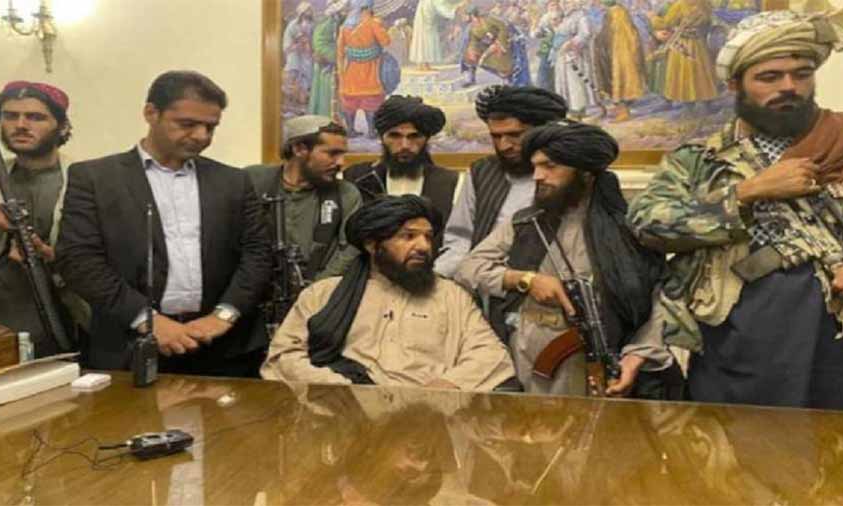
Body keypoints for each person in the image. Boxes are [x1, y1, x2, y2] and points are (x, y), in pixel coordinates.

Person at [627, 5, 843, 410]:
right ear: (735, 84)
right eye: (770, 77)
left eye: (802, 74)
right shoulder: (699, 160)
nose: (789, 87)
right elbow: (647, 223)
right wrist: (747, 193)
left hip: (839, 335)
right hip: (735, 337)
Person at [56, 71, 272, 377]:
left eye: (210, 127)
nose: (201, 136)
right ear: (151, 113)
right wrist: (148, 320)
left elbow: (258, 253)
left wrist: (224, 315)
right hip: (129, 347)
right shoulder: (95, 178)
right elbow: (78, 260)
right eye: (187, 124)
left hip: (223, 348)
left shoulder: (234, 181)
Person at [455, 121, 674, 396]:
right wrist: (525, 280)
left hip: (604, 358)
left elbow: (660, 301)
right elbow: (468, 268)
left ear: (585, 174)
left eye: (550, 166)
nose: (537, 176)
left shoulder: (631, 230)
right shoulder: (526, 223)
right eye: (535, 166)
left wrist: (636, 356)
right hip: (530, 356)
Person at [261, 195, 516, 391]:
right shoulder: (323, 293)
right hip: (342, 416)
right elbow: (284, 356)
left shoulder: (451, 296)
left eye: (428, 237)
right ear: (373, 245)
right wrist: (335, 388)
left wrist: (448, 385)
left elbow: (490, 354)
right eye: (408, 236)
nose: (423, 246)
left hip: (426, 417)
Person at [0, 81, 87, 358]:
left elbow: (107, 254)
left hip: (66, 315)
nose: (21, 125)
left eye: (35, 117)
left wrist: (51, 255)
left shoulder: (83, 177)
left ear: (61, 126)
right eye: (10, 116)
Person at [435, 85, 567, 278]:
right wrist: (439, 279)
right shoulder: (481, 172)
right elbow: (460, 239)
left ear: (542, 132)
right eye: (496, 136)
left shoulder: (568, 174)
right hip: (483, 282)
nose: (504, 146)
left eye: (515, 135)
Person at [246, 115, 361, 280]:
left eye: (342, 154)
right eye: (332, 153)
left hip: (321, 289)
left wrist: (316, 288)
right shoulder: (253, 181)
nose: (341, 162)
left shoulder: (346, 193)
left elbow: (352, 249)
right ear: (299, 149)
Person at [343, 95, 459, 247]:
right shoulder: (357, 177)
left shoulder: (448, 181)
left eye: (414, 136)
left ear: (426, 139)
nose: (405, 145)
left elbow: (455, 240)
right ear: (382, 137)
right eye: (394, 136)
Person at [337, 0, 391, 137]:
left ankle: (350, 130)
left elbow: (340, 51)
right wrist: (381, 26)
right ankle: (371, 131)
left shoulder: (344, 27)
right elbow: (386, 41)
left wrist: (341, 70)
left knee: (350, 101)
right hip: (370, 71)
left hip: (350, 72)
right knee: (371, 101)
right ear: (365, 8)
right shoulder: (372, 23)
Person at [648, 0, 719, 105]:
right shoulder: (704, 4)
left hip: (682, 43)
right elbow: (708, 22)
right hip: (698, 44)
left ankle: (687, 102)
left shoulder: (681, 5)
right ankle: (704, 101)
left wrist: (653, 18)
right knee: (700, 72)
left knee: (682, 73)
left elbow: (666, 23)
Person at [592, 0, 648, 122]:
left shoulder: (617, 13)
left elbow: (618, 34)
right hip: (618, 53)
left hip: (620, 55)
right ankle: (620, 110)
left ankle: (623, 112)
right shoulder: (617, 11)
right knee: (617, 83)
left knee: (621, 83)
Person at [460, 7, 531, 87]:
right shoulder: (472, 28)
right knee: (470, 55)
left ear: (472, 15)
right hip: (489, 46)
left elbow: (503, 27)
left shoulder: (488, 19)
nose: (464, 17)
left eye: (466, 15)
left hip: (505, 42)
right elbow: (474, 40)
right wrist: (472, 50)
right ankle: (470, 76)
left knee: (504, 59)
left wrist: (500, 43)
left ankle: (509, 78)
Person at [308, 0, 348, 117]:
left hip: (335, 63)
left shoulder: (339, 21)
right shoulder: (327, 23)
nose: (344, 11)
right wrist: (336, 56)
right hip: (328, 67)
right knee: (327, 95)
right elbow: (320, 42)